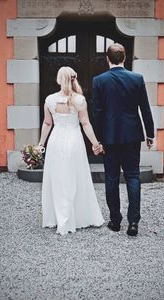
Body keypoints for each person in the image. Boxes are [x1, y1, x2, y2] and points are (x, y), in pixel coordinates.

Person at [92, 43, 154, 236]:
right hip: (132, 136)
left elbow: (97, 112)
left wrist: (97, 139)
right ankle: (133, 223)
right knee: (133, 177)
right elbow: (145, 108)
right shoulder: (137, 79)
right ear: (125, 58)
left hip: (109, 138)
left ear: (107, 59)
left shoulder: (99, 81)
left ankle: (115, 220)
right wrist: (150, 134)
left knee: (111, 178)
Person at [37, 66, 104, 235]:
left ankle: (59, 217)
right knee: (75, 176)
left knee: (58, 177)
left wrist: (40, 144)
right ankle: (76, 216)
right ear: (74, 79)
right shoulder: (79, 100)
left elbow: (47, 124)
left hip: (55, 141)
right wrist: (95, 143)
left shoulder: (50, 100)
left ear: (59, 80)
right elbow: (86, 124)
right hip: (74, 141)